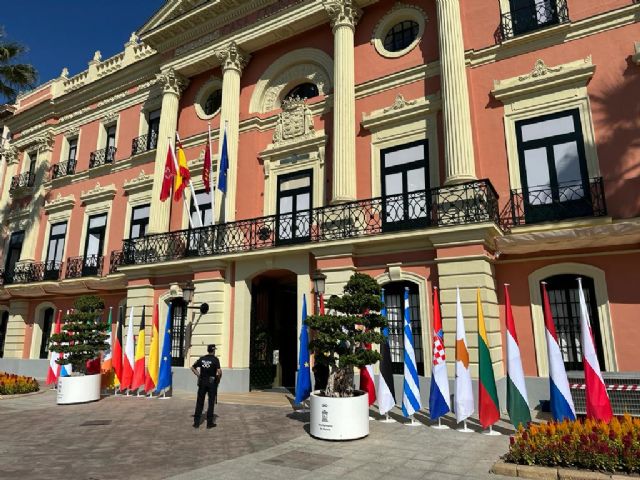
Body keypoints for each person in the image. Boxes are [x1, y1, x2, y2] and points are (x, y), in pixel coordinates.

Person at [191, 344, 222, 429]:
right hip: (212, 383)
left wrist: (199, 375)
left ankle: (196, 423)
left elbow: (193, 367)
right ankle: (209, 423)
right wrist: (218, 380)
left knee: (200, 402)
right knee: (211, 403)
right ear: (214, 350)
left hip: (202, 382)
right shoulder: (215, 360)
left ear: (208, 350)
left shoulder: (202, 359)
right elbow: (219, 372)